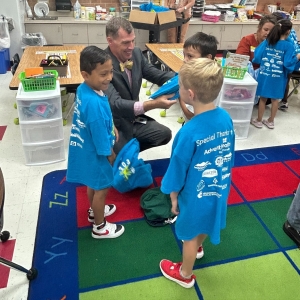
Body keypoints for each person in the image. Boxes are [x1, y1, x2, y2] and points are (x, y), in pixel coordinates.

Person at [159, 58, 235, 288]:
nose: (178, 88)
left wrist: (172, 195)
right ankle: (198, 246)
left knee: (188, 235)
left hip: (195, 194)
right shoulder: (225, 117)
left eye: (179, 85)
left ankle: (184, 273)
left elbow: (178, 167)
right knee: (206, 221)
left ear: (189, 94)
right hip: (220, 187)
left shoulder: (189, 131)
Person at [66, 46, 125, 239]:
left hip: (86, 149)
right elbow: (99, 133)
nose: (109, 77)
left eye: (110, 72)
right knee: (101, 188)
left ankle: (94, 211)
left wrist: (112, 127)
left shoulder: (85, 89)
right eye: (103, 74)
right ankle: (100, 227)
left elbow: (99, 121)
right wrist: (110, 154)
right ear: (85, 74)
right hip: (97, 152)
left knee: (92, 182)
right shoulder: (94, 105)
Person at [104, 17, 177, 154]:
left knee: (164, 134)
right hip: (115, 125)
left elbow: (157, 75)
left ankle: (130, 151)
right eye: (126, 43)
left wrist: (184, 77)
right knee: (118, 162)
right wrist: (153, 104)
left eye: (133, 40)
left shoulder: (136, 54)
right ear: (110, 41)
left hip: (135, 119)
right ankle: (124, 152)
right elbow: (116, 104)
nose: (131, 46)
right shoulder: (102, 64)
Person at [251, 19, 300, 130]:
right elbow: (288, 64)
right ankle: (270, 121)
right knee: (275, 100)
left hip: (264, 75)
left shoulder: (267, 41)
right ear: (288, 32)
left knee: (262, 99)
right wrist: (297, 57)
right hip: (279, 78)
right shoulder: (289, 46)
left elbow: (257, 56)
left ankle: (258, 120)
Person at [179, 32, 218, 122]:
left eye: (190, 56)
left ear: (207, 58)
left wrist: (180, 95)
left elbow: (190, 114)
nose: (184, 60)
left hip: (198, 125)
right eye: (184, 55)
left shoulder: (202, 81)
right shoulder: (215, 72)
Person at [272, 12, 300, 111]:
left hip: (292, 61)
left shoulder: (286, 38)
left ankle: (283, 101)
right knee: (286, 79)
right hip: (294, 60)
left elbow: (286, 54)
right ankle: (284, 101)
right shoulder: (291, 31)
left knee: (285, 79)